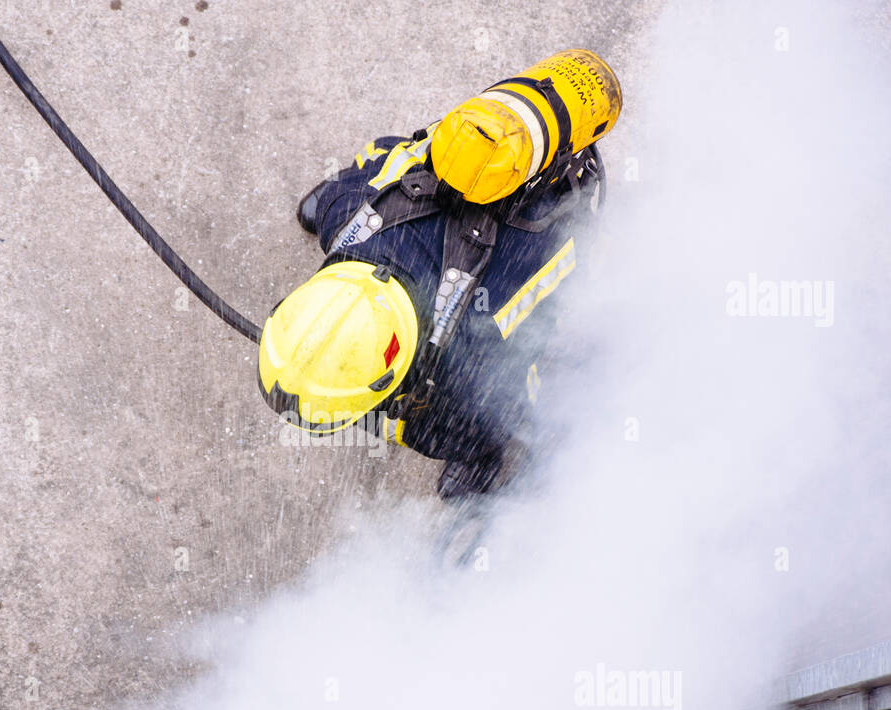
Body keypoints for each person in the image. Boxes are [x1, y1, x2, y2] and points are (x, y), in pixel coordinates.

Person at [258, 49, 623, 497]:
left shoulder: (470, 352)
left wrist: (408, 423)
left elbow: (531, 352)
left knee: (477, 421)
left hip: (554, 223)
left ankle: (481, 458)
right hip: (475, 159)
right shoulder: (346, 211)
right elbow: (382, 152)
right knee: (352, 184)